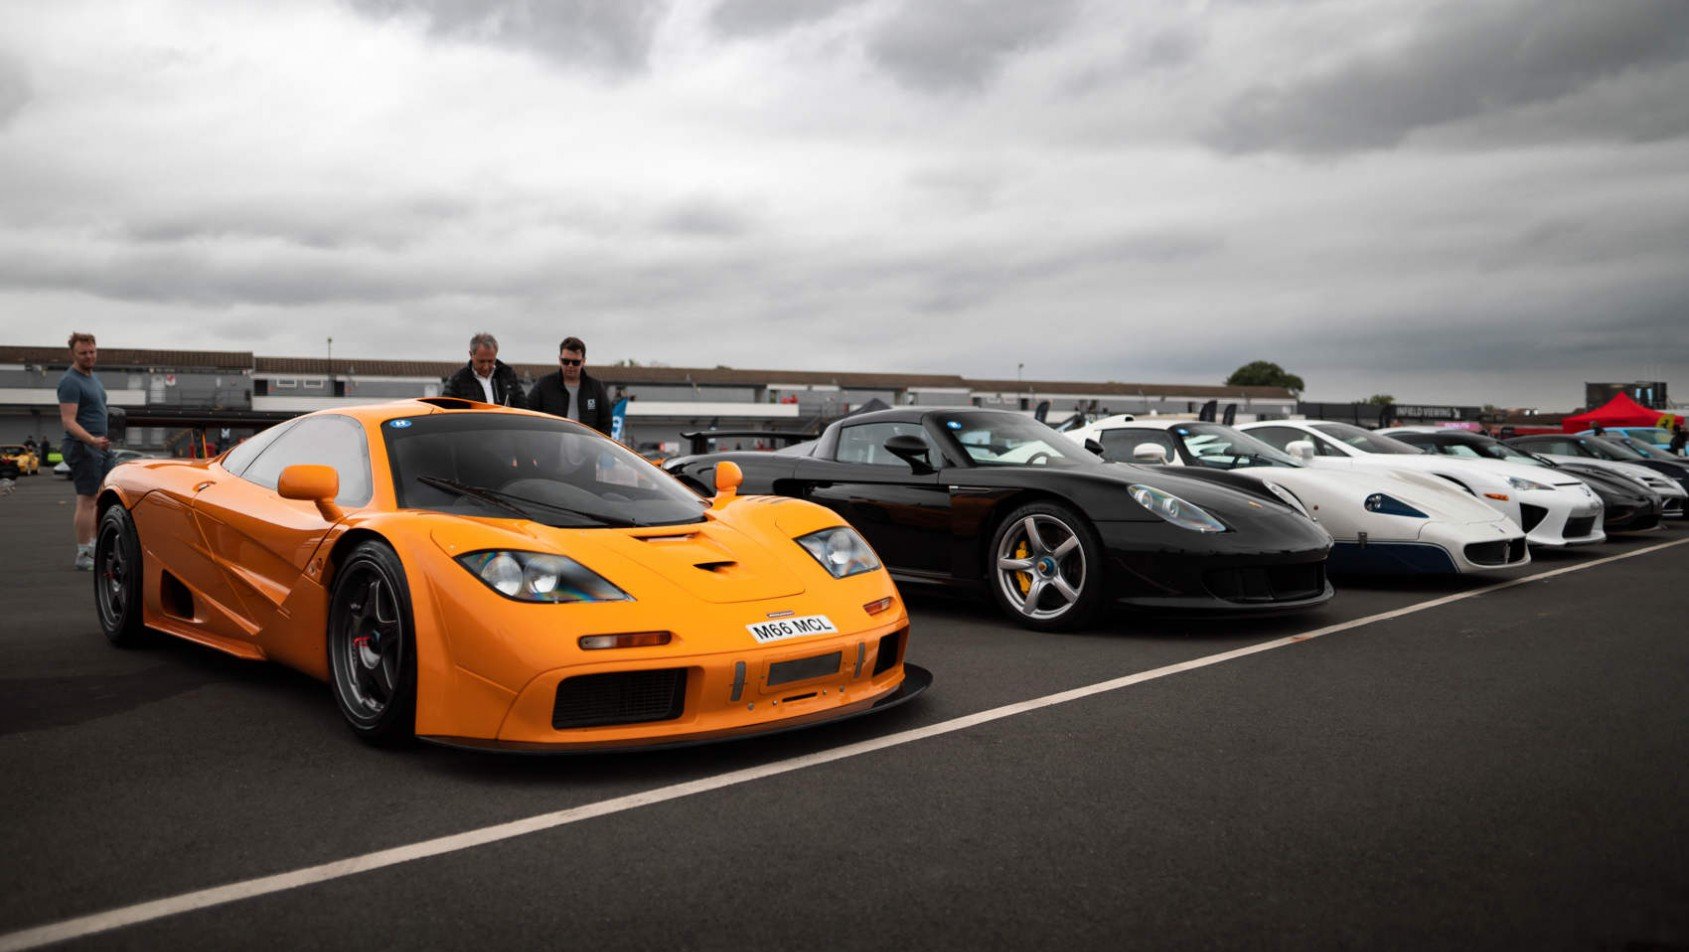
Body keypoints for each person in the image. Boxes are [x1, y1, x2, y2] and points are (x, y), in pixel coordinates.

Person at [58, 332, 115, 570]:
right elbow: (68, 421)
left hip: (100, 446)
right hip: (83, 446)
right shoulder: (70, 381)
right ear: (73, 354)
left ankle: (93, 548)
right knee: (87, 499)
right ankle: (83, 554)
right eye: (83, 353)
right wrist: (92, 440)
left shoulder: (94, 378)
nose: (89, 356)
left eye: (92, 351)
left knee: (102, 498)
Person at [526, 336, 613, 435]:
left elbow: (606, 422)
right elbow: (528, 415)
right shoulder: (544, 385)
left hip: (587, 449)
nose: (570, 366)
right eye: (566, 361)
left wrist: (597, 448)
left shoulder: (596, 388)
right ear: (559, 359)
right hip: (550, 448)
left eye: (575, 362)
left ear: (583, 361)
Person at [442, 332, 525, 407]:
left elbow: (523, 408)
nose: (486, 367)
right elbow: (446, 411)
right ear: (471, 354)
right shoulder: (457, 381)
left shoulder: (508, 375)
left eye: (490, 361)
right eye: (481, 361)